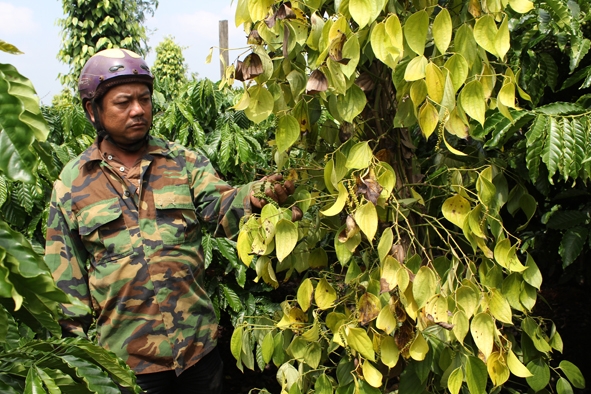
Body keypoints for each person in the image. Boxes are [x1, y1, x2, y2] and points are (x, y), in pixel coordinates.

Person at [45, 48, 293, 394]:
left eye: (144, 99)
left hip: (197, 353)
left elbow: (221, 207)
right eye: (123, 102)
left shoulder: (183, 161)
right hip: (127, 363)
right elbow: (65, 276)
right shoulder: (73, 182)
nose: (138, 110)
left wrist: (255, 196)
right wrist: (76, 354)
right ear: (93, 110)